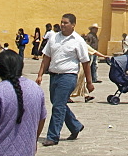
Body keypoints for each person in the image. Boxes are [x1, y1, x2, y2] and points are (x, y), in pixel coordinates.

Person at [36, 13, 93, 146]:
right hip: (54, 75)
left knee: (58, 106)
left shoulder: (78, 41)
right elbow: (46, 57)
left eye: (65, 23)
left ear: (73, 25)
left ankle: (52, 136)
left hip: (68, 76)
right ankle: (75, 126)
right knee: (57, 102)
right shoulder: (54, 38)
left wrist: (89, 82)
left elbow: (85, 62)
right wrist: (40, 74)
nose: (62, 25)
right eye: (61, 22)